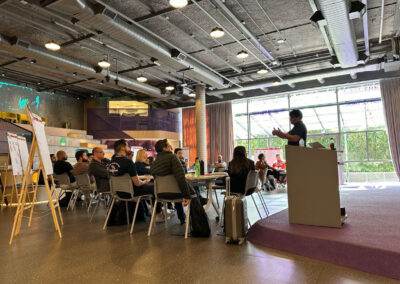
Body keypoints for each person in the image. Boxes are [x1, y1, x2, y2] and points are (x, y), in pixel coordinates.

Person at [109, 139, 163, 221]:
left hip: (118, 193)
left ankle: (152, 211)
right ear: (123, 148)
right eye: (127, 146)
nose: (129, 148)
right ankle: (159, 214)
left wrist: (130, 158)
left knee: (150, 186)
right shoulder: (128, 162)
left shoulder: (112, 162)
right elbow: (137, 183)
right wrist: (144, 181)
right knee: (154, 186)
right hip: (131, 192)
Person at [151, 139, 196, 225]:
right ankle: (196, 222)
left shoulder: (154, 163)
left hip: (161, 194)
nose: (171, 149)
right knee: (192, 192)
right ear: (164, 148)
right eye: (169, 147)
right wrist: (186, 195)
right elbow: (181, 177)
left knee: (176, 186)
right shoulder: (172, 157)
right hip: (176, 193)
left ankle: (182, 218)